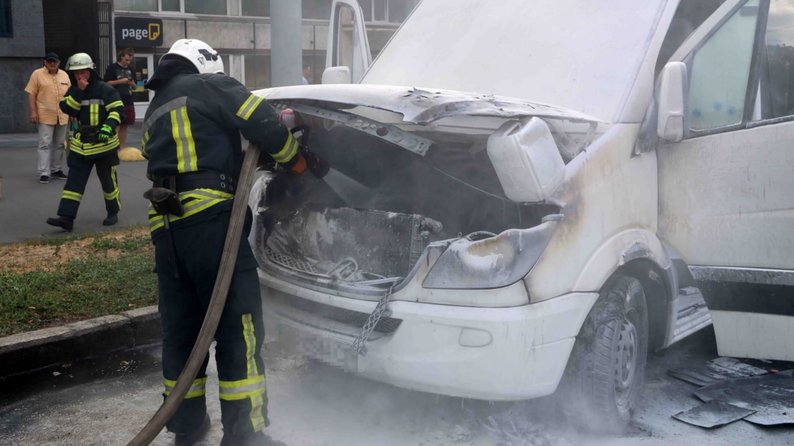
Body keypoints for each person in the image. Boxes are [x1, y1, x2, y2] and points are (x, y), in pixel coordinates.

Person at [141, 39, 326, 446]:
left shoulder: (156, 108)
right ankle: (245, 433)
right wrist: (296, 160)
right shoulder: (212, 85)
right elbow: (263, 122)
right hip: (212, 225)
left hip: (167, 230)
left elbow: (195, 154)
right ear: (206, 64)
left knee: (181, 330)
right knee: (238, 326)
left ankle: (185, 426)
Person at [45, 53, 124, 232]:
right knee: (74, 182)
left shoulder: (105, 89)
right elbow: (66, 108)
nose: (79, 75)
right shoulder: (74, 90)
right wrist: (79, 90)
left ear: (90, 71)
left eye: (83, 72)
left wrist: (108, 128)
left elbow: (117, 111)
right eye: (76, 73)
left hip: (104, 144)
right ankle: (66, 218)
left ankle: (113, 212)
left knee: (108, 182)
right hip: (82, 145)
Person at [24, 52, 71, 184]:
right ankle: (44, 172)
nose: (52, 63)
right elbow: (31, 94)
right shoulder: (37, 74)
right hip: (45, 115)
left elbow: (70, 95)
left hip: (62, 115)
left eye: (54, 61)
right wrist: (33, 112)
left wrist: (73, 112)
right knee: (45, 143)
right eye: (49, 61)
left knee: (60, 144)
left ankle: (56, 169)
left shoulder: (65, 75)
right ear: (44, 62)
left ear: (59, 63)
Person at [103, 47, 137, 149]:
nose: (128, 62)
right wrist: (120, 81)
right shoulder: (112, 68)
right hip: (114, 99)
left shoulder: (132, 69)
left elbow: (135, 87)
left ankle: (122, 148)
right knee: (115, 124)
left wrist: (131, 83)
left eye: (130, 60)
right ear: (121, 56)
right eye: (126, 59)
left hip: (128, 99)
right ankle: (113, 147)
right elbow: (106, 83)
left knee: (125, 125)